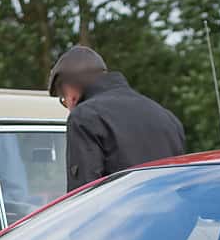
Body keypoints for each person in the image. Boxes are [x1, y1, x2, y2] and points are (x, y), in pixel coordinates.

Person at [48, 45, 185, 191]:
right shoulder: (167, 117)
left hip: (122, 213)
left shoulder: (84, 117)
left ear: (71, 92)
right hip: (171, 212)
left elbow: (84, 195)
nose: (67, 105)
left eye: (64, 99)